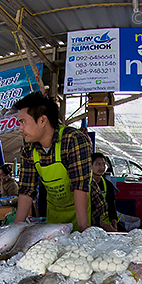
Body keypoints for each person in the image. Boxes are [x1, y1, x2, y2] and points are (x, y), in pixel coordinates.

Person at [12, 92, 106, 231]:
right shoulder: (28, 148)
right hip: (56, 212)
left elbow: (80, 185)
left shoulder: (73, 140)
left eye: (23, 122)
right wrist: (15, 229)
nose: (20, 129)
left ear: (42, 120)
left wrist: (83, 227)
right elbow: (27, 189)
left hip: (84, 212)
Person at [91, 152, 118, 231]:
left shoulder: (108, 185)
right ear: (90, 166)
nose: (102, 167)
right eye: (98, 164)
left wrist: (114, 224)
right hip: (90, 223)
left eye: (103, 164)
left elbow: (111, 206)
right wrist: (103, 224)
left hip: (106, 222)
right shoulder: (85, 185)